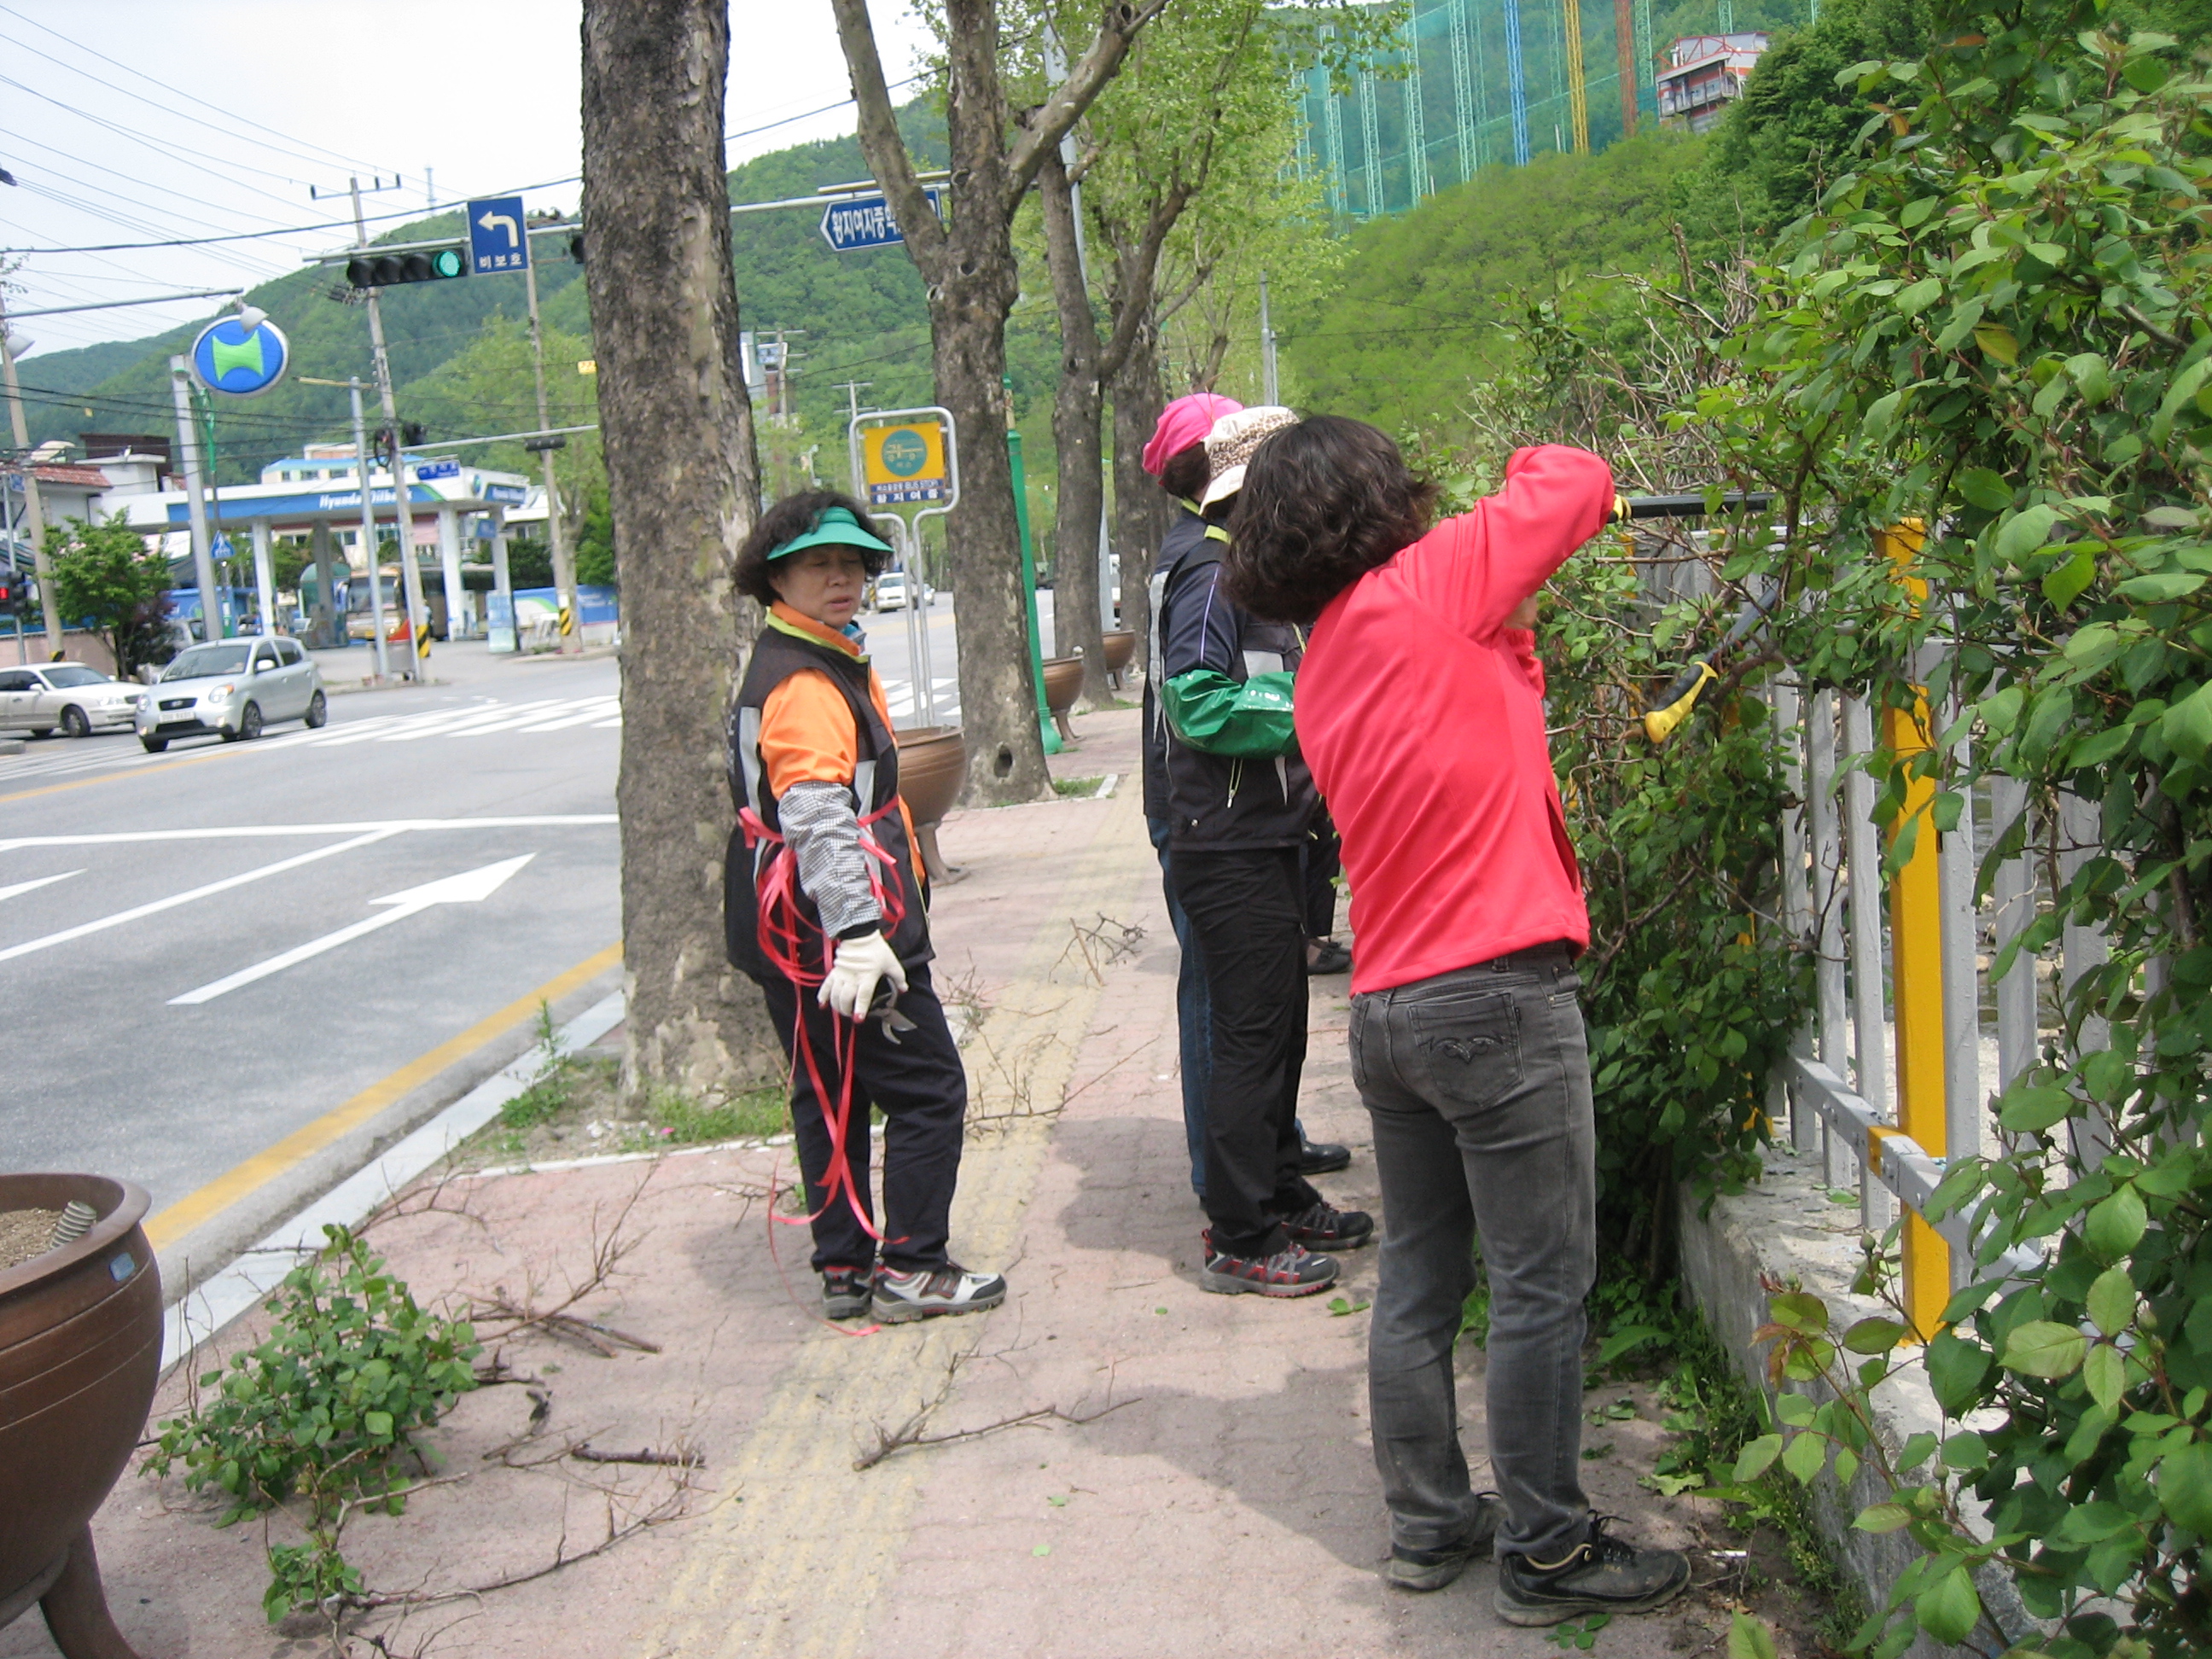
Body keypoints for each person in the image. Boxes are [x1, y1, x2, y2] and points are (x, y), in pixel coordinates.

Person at [1221, 419, 1690, 1626]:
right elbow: (1573, 480)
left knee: (1422, 1280)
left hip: (1390, 1012)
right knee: (1540, 1284)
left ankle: (1430, 1525)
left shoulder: (1325, 658)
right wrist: (1515, 470)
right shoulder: (1426, 586)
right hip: (1495, 998)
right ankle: (1548, 1551)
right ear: (1380, 500)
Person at [725, 492, 1005, 1325]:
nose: (841, 577)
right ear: (776, 577)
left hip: (785, 925)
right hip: (840, 935)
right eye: (819, 564)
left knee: (830, 1094)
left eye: (852, 562)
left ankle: (844, 1264)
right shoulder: (806, 680)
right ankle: (913, 1267)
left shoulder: (811, 654)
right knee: (928, 1090)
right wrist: (857, 934)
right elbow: (817, 812)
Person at [1152, 405, 1371, 1298]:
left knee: (1280, 1030)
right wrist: (1319, 710)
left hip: (1274, 836)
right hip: (1229, 845)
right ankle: (1239, 1233)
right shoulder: (1211, 575)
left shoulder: (1250, 572)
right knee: (1247, 1040)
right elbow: (1197, 702)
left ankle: (1280, 1191)